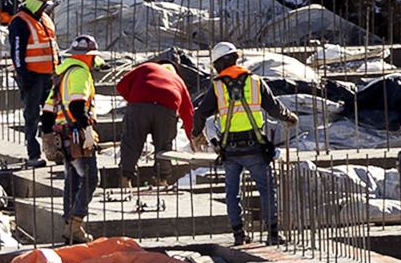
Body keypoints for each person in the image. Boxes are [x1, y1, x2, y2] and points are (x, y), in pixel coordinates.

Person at [199, 42, 295, 247]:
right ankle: (273, 234)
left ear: (218, 64)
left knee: (232, 193)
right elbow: (275, 109)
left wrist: (196, 133)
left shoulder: (217, 86)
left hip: (230, 150)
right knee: (267, 189)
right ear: (235, 58)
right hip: (255, 147)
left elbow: (200, 113)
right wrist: (289, 118)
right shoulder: (255, 81)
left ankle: (239, 235)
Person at [0, 0, 60, 159]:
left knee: (51, 114)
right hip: (32, 76)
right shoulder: (20, 22)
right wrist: (24, 75)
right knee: (31, 116)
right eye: (42, 5)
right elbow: (17, 52)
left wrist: (58, 69)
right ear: (34, 2)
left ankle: (53, 150)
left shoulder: (45, 19)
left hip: (49, 75)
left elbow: (53, 46)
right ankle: (33, 153)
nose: (44, 8)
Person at [47, 37, 103, 242]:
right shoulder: (80, 73)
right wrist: (86, 128)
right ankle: (75, 224)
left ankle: (68, 223)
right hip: (76, 134)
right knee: (90, 178)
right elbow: (77, 107)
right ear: (86, 58)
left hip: (64, 134)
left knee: (73, 179)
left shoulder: (62, 74)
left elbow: (49, 107)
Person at [113, 55, 193, 179]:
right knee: (164, 146)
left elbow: (121, 86)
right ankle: (162, 179)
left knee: (131, 142)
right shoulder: (178, 80)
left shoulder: (147, 66)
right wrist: (192, 137)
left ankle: (125, 177)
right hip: (167, 105)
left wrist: (136, 101)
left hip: (139, 104)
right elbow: (188, 114)